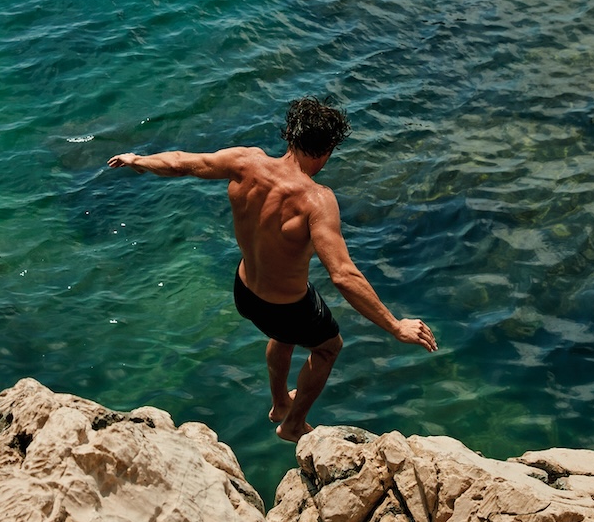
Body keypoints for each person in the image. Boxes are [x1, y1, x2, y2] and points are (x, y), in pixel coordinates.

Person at [108, 97, 437, 441]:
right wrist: (395, 326)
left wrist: (139, 160)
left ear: (291, 139)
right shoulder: (316, 200)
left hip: (245, 291)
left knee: (282, 334)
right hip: (286, 306)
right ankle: (292, 424)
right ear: (324, 152)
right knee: (328, 347)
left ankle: (280, 402)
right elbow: (343, 274)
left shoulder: (245, 162)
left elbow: (180, 163)